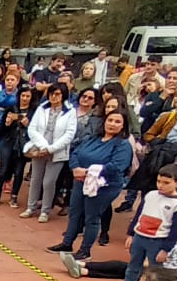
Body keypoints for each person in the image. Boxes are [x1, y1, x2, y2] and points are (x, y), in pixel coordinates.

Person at [47, 110, 134, 260]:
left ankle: (85, 251)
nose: (112, 124)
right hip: (80, 181)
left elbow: (116, 166)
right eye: (110, 120)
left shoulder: (123, 145)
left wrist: (88, 172)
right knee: (75, 213)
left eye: (117, 122)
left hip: (103, 186)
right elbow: (75, 153)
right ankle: (67, 243)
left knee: (91, 217)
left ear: (123, 126)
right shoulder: (93, 138)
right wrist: (75, 169)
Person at [111, 164, 177, 281]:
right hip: (140, 237)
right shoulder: (151, 195)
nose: (161, 185)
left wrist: (165, 250)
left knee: (155, 271)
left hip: (158, 241)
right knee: (133, 266)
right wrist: (131, 234)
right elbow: (139, 215)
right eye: (158, 181)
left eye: (166, 183)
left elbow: (176, 230)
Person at [20, 85, 77, 223]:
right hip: (40, 149)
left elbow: (69, 134)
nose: (54, 97)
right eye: (51, 94)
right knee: (35, 179)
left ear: (63, 95)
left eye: (57, 94)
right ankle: (31, 207)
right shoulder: (42, 108)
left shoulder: (70, 111)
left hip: (57, 152)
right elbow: (32, 129)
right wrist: (43, 146)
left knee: (49, 182)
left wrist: (51, 149)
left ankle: (45, 211)